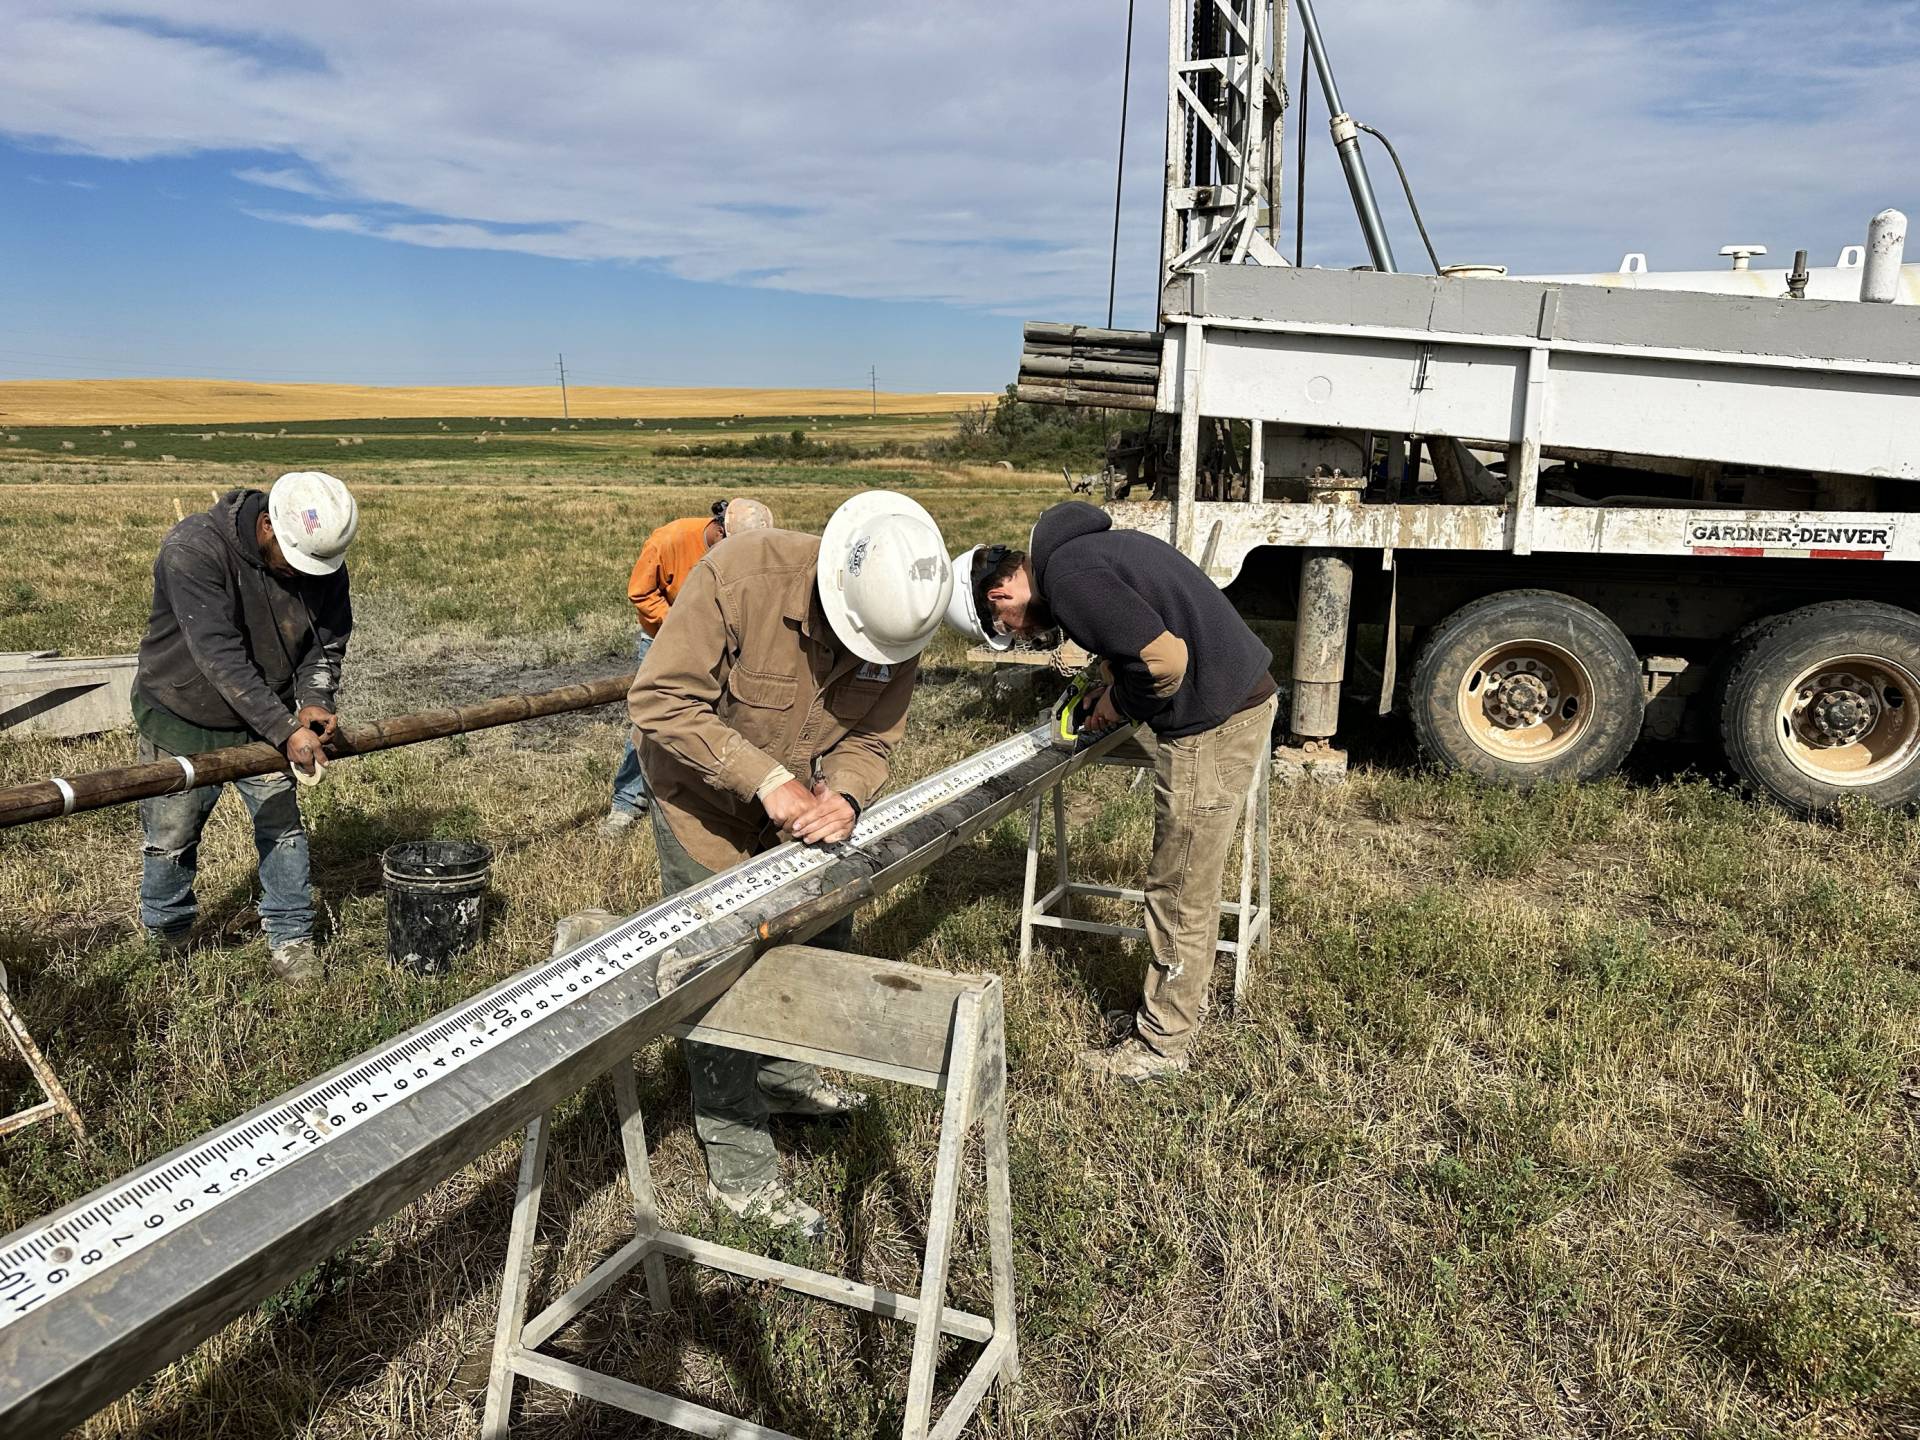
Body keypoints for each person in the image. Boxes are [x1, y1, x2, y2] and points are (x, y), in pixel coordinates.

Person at [628, 491, 952, 1235]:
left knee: (818, 940)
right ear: (832, 591)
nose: (865, 661)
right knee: (718, 977)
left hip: (805, 814)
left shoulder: (900, 620)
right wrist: (765, 779)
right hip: (702, 805)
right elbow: (660, 702)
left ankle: (785, 1078)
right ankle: (739, 1167)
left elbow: (870, 740)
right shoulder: (740, 575)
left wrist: (844, 793)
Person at [947, 501, 1277, 1081]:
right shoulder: (1078, 556)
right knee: (1184, 880)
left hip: (1213, 723)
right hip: (1236, 698)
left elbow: (1163, 659)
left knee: (1178, 887)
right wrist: (1105, 681)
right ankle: (1165, 1014)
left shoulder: (1069, 582)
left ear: (998, 597)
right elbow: (1138, 633)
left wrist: (1118, 704)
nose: (1021, 634)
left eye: (1009, 629)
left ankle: (1161, 1046)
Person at [132, 472, 358, 983]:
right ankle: (168, 937)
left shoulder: (321, 561)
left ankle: (292, 939)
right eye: (295, 565)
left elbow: (327, 639)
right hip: (182, 713)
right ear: (266, 527)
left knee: (283, 832)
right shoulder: (193, 550)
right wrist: (284, 728)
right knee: (172, 835)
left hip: (266, 719)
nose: (305, 578)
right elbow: (219, 658)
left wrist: (315, 701)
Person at [605, 497, 774, 832]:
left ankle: (701, 798)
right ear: (719, 529)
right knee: (652, 722)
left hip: (725, 643)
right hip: (664, 641)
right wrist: (680, 624)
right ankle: (626, 800)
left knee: (721, 719)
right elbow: (640, 593)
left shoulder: (744, 554)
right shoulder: (670, 538)